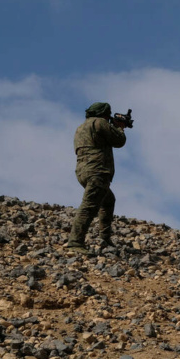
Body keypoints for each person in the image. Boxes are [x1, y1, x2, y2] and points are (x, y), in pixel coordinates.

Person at [67, 102, 128, 253]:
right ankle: (75, 242)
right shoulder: (99, 123)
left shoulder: (81, 127)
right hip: (97, 172)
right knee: (89, 206)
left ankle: (105, 238)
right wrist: (120, 127)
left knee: (108, 200)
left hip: (83, 171)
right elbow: (119, 141)